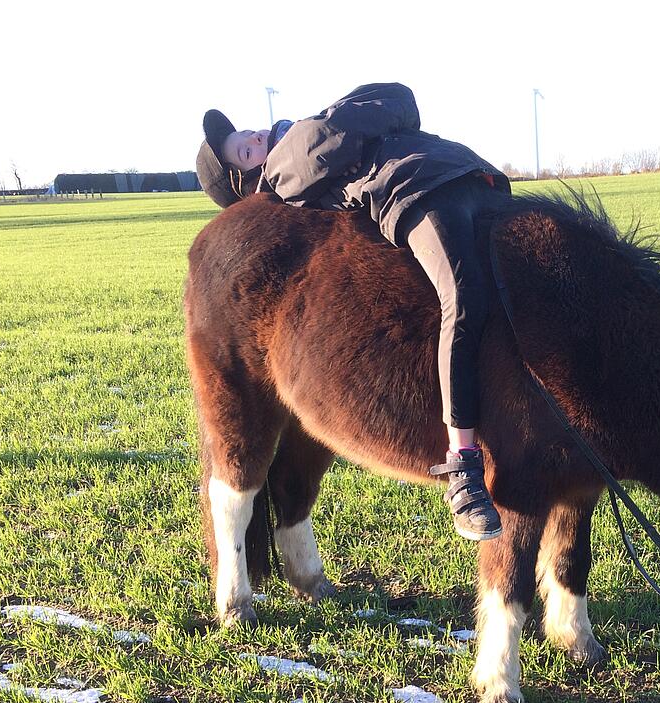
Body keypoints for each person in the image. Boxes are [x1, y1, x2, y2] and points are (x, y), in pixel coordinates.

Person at [195, 83, 513, 541]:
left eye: (248, 133)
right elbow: (374, 113)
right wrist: (353, 114)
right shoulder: (291, 158)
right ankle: (464, 464)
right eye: (246, 150)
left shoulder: (303, 136)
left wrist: (361, 114)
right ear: (247, 182)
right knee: (463, 299)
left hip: (467, 177)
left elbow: (395, 99)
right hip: (417, 192)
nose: (258, 137)